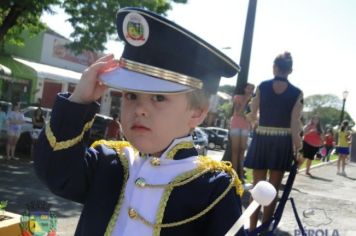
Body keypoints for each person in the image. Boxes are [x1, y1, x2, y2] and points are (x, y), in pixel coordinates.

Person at [34, 7, 245, 236]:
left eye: (159, 97)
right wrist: (79, 101)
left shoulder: (213, 187)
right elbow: (54, 173)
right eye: (131, 96)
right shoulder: (109, 162)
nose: (140, 109)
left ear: (197, 112)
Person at [244, 52, 303, 232]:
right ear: (290, 70)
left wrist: (254, 122)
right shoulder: (297, 93)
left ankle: (252, 228)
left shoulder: (262, 86)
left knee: (257, 188)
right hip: (282, 142)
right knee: (272, 191)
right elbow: (295, 123)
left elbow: (252, 115)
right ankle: (265, 230)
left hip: (262, 138)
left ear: (274, 67)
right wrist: (298, 149)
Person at [229, 83, 255, 184]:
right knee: (235, 150)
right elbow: (238, 112)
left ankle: (241, 175)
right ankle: (234, 175)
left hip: (245, 127)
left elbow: (253, 116)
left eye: (252, 89)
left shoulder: (254, 101)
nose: (250, 90)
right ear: (244, 88)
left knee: (242, 151)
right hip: (235, 124)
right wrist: (246, 100)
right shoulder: (238, 97)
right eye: (248, 87)